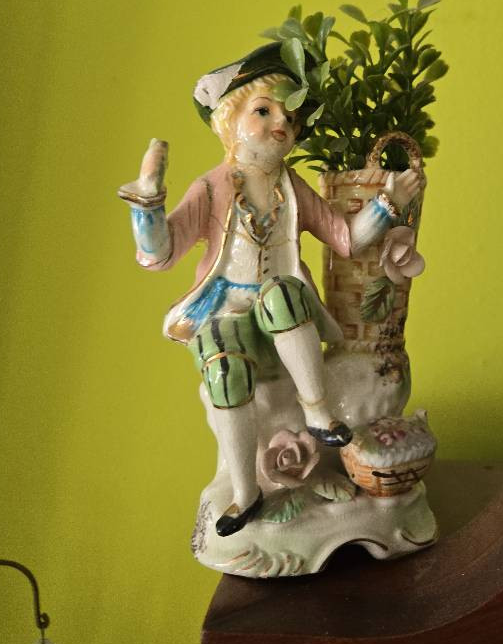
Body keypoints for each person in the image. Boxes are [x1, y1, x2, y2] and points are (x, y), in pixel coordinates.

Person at [118, 44, 421, 536]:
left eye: (291, 117)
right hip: (226, 310)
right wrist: (147, 201)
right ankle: (245, 492)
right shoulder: (212, 188)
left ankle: (318, 413)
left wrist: (388, 203)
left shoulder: (292, 187)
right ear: (229, 120)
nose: (282, 123)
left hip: (285, 312)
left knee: (280, 290)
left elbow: (345, 239)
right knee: (225, 373)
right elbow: (161, 254)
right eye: (264, 110)